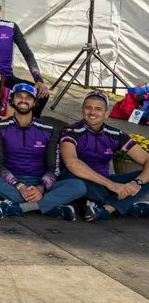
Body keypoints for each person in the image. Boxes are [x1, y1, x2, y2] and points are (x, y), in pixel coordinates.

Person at [0, 84, 86, 220]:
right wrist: (19, 186)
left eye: (29, 97)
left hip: (40, 181)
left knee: (79, 186)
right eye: (19, 96)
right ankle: (50, 206)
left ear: (35, 102)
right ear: (12, 100)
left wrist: (41, 188)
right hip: (11, 183)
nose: (23, 100)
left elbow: (54, 167)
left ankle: (21, 207)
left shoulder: (49, 130)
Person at [60, 91, 149, 221]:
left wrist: (136, 183)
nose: (92, 112)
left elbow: (147, 159)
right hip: (80, 180)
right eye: (88, 107)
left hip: (104, 183)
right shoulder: (70, 131)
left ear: (107, 113)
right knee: (76, 179)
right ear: (82, 110)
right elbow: (71, 163)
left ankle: (106, 209)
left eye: (98, 109)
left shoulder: (116, 135)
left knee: (145, 177)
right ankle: (127, 206)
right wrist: (112, 185)